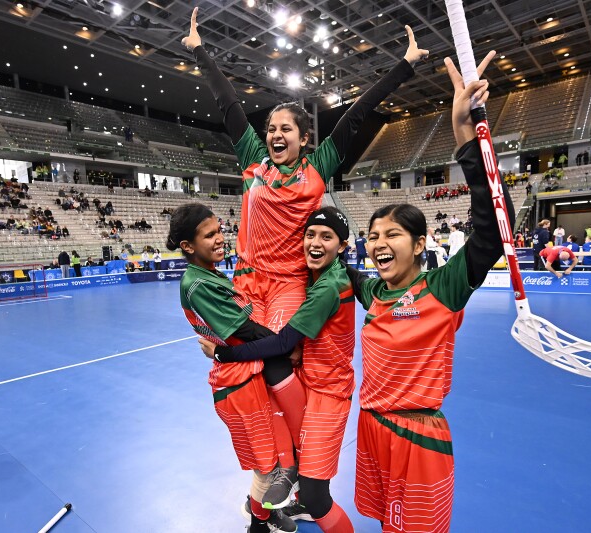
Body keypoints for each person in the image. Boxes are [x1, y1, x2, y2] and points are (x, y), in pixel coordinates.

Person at [182, 6, 429, 515]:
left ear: (301, 137)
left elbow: (357, 114)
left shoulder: (318, 168)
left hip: (289, 283)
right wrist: (201, 52)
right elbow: (229, 107)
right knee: (239, 379)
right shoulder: (252, 160)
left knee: (275, 357)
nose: (276, 134)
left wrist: (403, 67)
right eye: (270, 127)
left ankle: (294, 465)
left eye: (285, 128)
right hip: (247, 282)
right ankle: (271, 482)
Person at [343, 52, 511, 532]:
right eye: (373, 235)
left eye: (392, 234)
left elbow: (492, 233)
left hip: (416, 436)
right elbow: (333, 269)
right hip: (372, 428)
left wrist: (465, 136)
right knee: (383, 523)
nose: (378, 243)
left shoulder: (442, 288)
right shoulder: (373, 292)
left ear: (419, 244)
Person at [199, 206, 356, 533]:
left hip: (327, 393)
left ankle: (283, 501)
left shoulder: (326, 284)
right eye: (310, 234)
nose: (315, 241)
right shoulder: (305, 275)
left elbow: (282, 343)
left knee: (313, 491)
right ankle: (266, 513)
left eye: (326, 237)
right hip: (306, 385)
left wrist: (225, 355)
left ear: (342, 245)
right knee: (270, 457)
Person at [165, 204, 297, 533]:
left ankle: (265, 513)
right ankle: (259, 523)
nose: (220, 238)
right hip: (239, 386)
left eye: (220, 230)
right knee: (268, 468)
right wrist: (288, 344)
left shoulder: (211, 273)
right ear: (188, 246)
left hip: (247, 376)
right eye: (210, 235)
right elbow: (247, 332)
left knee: (271, 461)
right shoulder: (198, 284)